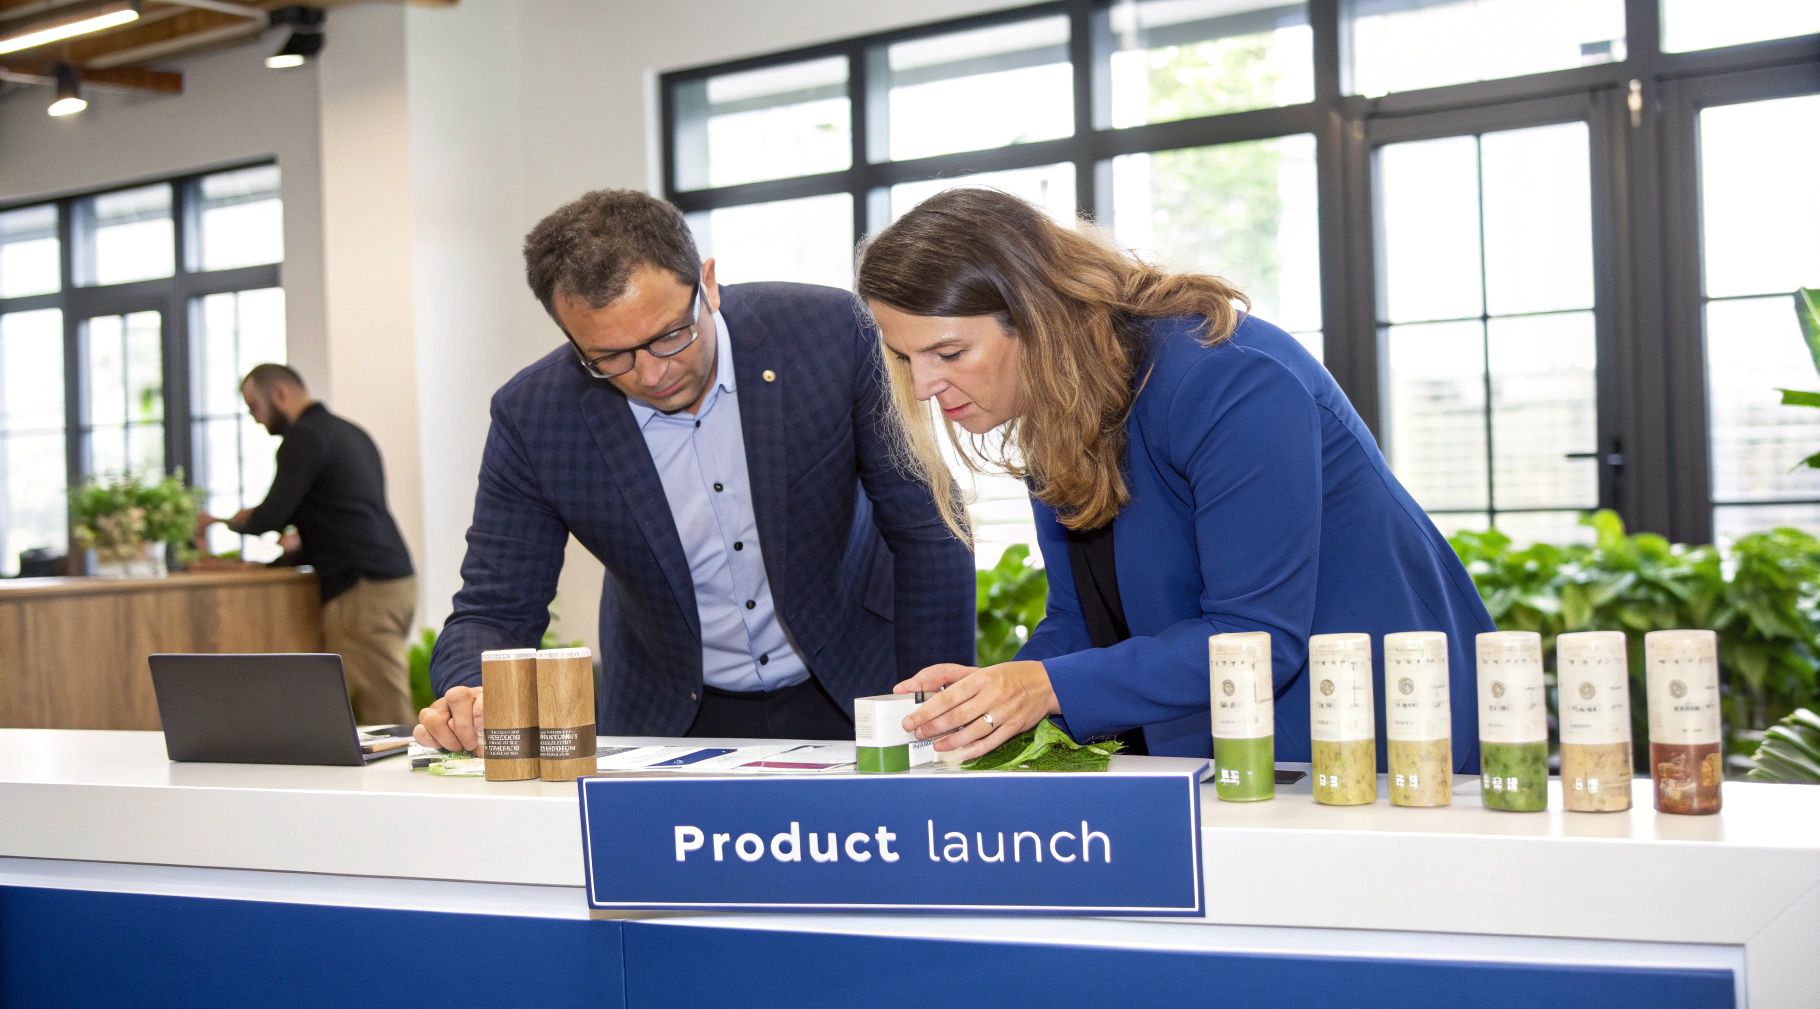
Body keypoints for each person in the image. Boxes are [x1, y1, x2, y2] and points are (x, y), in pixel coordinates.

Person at [857, 187, 1492, 770]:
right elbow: (1082, 621)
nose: (922, 386)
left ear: (1038, 318)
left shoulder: (1227, 377)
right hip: (1224, 736)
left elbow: (1258, 641)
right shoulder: (1057, 408)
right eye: (905, 357)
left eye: (948, 354)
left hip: (1374, 727)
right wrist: (989, 695)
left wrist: (1040, 688)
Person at [416, 189, 974, 753]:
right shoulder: (535, 417)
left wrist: (938, 701)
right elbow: (495, 606)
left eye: (668, 336)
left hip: (861, 685)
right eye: (609, 358)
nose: (651, 374)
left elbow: (928, 527)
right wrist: (471, 693)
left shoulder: (830, 335)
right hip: (668, 713)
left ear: (707, 282)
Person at [200, 364, 418, 725]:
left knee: (383, 712)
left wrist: (225, 521)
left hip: (361, 589)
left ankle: (406, 783)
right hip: (393, 579)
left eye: (254, 407)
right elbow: (334, 518)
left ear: (280, 394)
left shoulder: (304, 438)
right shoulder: (350, 432)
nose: (256, 419)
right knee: (373, 701)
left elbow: (271, 516)